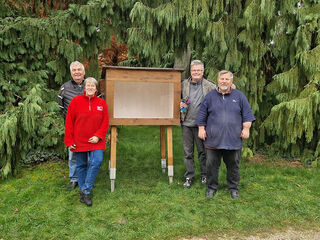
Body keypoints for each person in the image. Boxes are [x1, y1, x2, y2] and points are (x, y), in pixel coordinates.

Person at [196, 70, 255, 199]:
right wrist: (201, 129)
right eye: (222, 79)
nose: (224, 81)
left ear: (231, 81)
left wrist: (246, 129)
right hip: (213, 139)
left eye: (227, 79)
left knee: (234, 165)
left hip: (233, 139)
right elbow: (201, 114)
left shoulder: (239, 96)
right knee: (211, 165)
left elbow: (247, 114)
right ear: (218, 80)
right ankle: (212, 187)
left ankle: (233, 188)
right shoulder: (210, 96)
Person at [64, 77, 109, 206]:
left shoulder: (101, 103)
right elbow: (69, 122)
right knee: (81, 165)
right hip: (79, 140)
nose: (90, 87)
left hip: (96, 140)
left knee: (97, 161)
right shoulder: (75, 101)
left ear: (96, 88)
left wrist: (98, 136)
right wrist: (69, 140)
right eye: (88, 85)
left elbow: (105, 122)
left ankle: (85, 189)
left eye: (92, 86)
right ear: (84, 87)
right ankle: (85, 192)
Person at [58, 61, 102, 190]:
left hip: (90, 128)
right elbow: (61, 107)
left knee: (88, 156)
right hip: (73, 128)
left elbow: (99, 103)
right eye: (74, 70)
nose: (77, 72)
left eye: (79, 70)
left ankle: (88, 178)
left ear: (83, 72)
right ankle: (74, 179)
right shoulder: (64, 88)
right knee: (73, 155)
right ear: (71, 72)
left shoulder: (90, 85)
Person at [180, 60, 216, 188]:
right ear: (190, 71)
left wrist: (231, 86)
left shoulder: (210, 86)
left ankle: (204, 175)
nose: (196, 72)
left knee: (203, 152)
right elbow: (174, 98)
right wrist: (179, 104)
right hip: (186, 124)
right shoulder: (183, 84)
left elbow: (221, 95)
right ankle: (189, 176)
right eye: (194, 70)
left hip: (202, 125)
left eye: (199, 70)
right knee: (188, 152)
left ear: (203, 72)